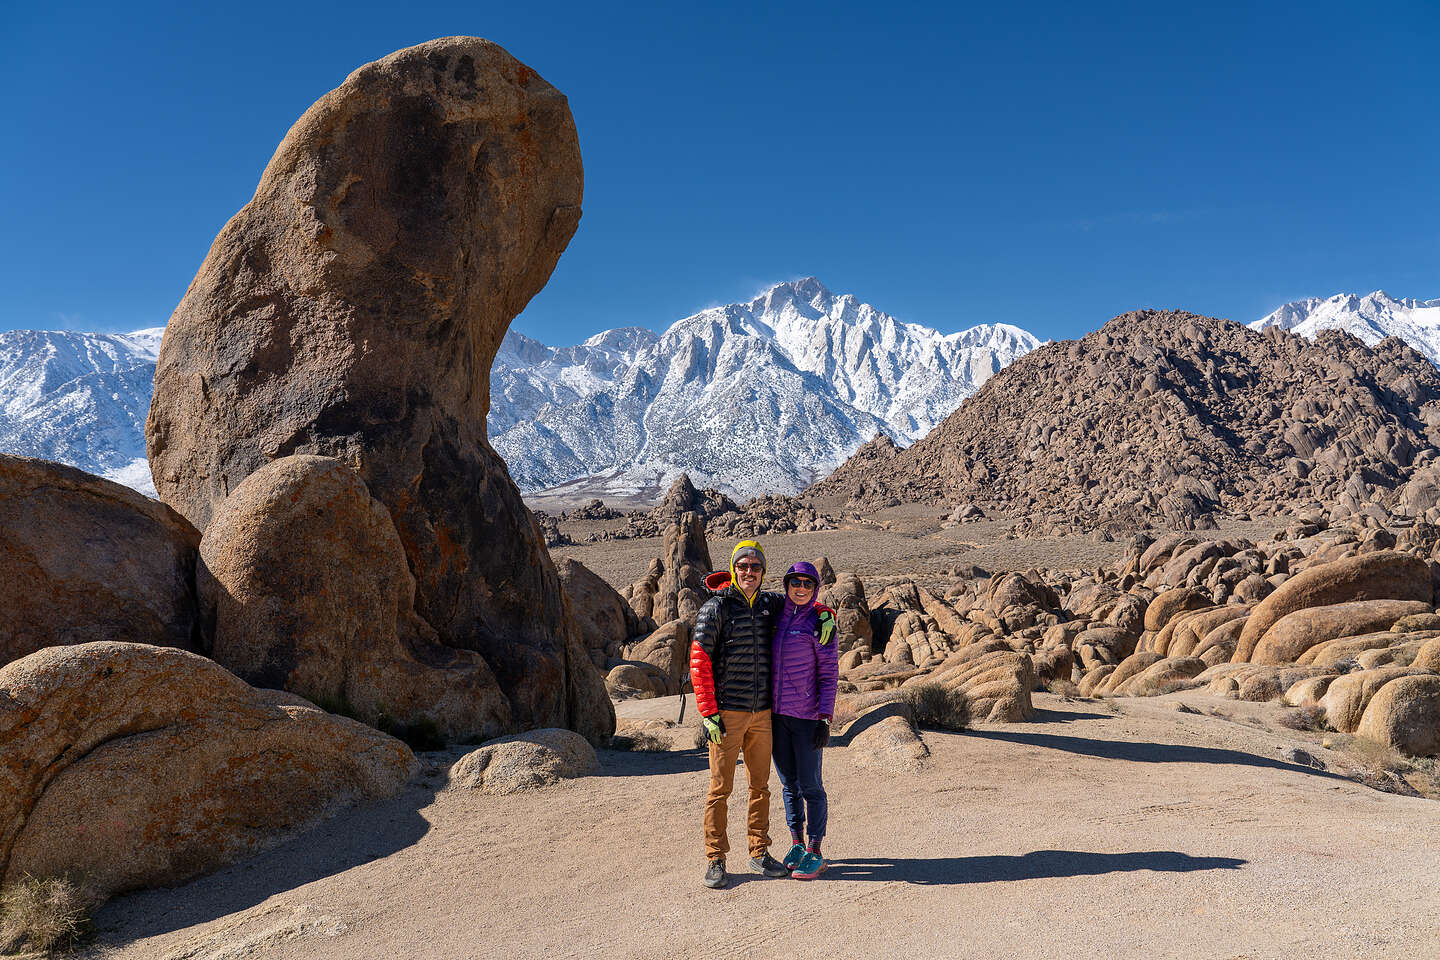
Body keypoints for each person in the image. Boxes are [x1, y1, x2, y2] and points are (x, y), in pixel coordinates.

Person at [690, 540, 787, 890]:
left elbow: (804, 603)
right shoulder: (716, 608)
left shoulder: (768, 604)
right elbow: (699, 661)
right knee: (720, 788)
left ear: (763, 572)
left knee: (760, 786)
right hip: (727, 713)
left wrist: (826, 613)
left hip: (761, 714)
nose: (749, 572)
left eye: (756, 567)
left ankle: (759, 852)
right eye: (743, 566)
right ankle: (715, 859)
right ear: (733, 568)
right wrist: (708, 713)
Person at [770, 561, 838, 881]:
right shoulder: (776, 615)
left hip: (807, 718)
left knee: (811, 786)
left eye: (807, 584)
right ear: (786, 585)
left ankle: (816, 850)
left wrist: (825, 718)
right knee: (789, 785)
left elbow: (829, 673)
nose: (800, 589)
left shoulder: (820, 622)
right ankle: (796, 843)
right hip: (777, 717)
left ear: (815, 589)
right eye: (795, 583)